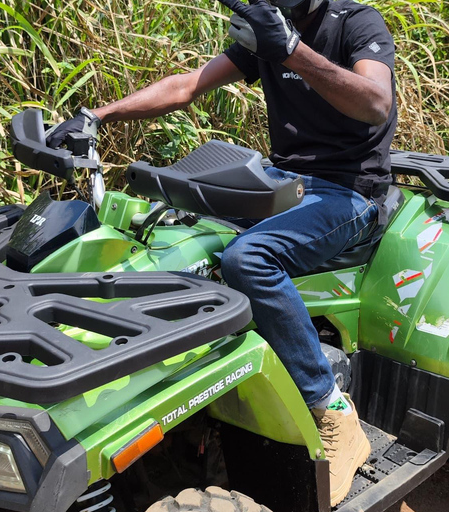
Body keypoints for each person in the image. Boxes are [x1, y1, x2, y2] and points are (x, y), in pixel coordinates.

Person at [46, 0, 397, 505]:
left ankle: (330, 408)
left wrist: (292, 51)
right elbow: (189, 85)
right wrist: (97, 116)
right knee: (165, 227)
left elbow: (374, 102)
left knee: (247, 259)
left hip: (347, 191)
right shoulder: (271, 27)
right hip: (282, 179)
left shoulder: (354, 22)